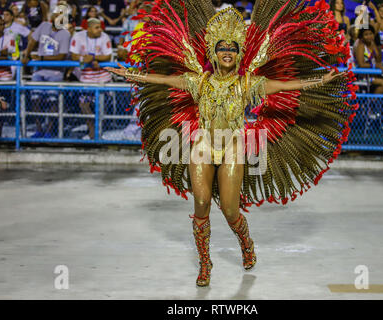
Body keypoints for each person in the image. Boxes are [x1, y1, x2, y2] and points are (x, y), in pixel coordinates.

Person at [106, 1, 356, 287]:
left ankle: (246, 242)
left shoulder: (247, 83)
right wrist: (130, 75)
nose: (227, 52)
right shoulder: (197, 82)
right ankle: (204, 263)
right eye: (222, 48)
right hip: (202, 144)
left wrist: (320, 79)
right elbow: (161, 79)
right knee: (200, 202)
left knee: (229, 210)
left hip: (233, 146)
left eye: (233, 48)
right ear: (214, 52)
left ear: (238, 55)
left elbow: (289, 86)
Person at [21, 6, 71, 138]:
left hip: (55, 73)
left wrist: (41, 58)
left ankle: (49, 131)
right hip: (39, 71)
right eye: (57, 14)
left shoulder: (65, 34)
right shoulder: (43, 26)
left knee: (52, 102)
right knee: (35, 100)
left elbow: (61, 56)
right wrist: (27, 54)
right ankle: (39, 130)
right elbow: (33, 40)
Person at [70, 18, 112, 140]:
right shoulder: (78, 36)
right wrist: (84, 58)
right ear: (88, 28)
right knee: (84, 105)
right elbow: (73, 55)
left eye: (100, 27)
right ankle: (93, 131)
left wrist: (94, 58)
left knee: (101, 107)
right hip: (86, 78)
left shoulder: (104, 37)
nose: (100, 30)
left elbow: (108, 56)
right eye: (97, 27)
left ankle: (99, 131)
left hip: (102, 78)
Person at [354, 25, 383, 94]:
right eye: (366, 34)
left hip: (372, 74)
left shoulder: (372, 44)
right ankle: (372, 103)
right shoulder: (361, 46)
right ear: (362, 37)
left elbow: (379, 60)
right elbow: (361, 64)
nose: (369, 36)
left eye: (371, 34)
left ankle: (373, 102)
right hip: (362, 76)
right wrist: (375, 66)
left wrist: (374, 47)